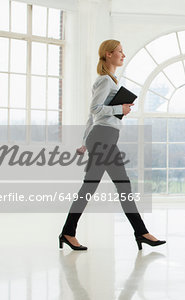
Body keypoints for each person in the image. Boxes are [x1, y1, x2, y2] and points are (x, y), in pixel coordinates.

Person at [59, 39, 166, 251]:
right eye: (119, 51)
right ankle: (140, 232)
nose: (123, 55)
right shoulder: (105, 81)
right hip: (103, 138)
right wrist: (120, 109)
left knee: (99, 186)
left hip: (103, 137)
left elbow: (93, 118)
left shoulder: (111, 81)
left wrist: (84, 142)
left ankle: (69, 232)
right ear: (108, 54)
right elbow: (95, 110)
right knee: (112, 186)